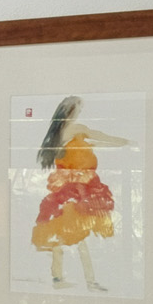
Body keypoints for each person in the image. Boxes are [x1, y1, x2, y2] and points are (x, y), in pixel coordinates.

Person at [29, 97, 127, 289]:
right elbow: (98, 136)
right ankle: (88, 281)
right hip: (75, 191)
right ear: (71, 112)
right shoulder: (75, 129)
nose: (80, 113)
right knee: (77, 236)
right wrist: (125, 141)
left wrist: (118, 143)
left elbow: (94, 143)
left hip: (63, 190)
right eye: (78, 110)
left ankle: (60, 279)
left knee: (61, 233)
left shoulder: (56, 135)